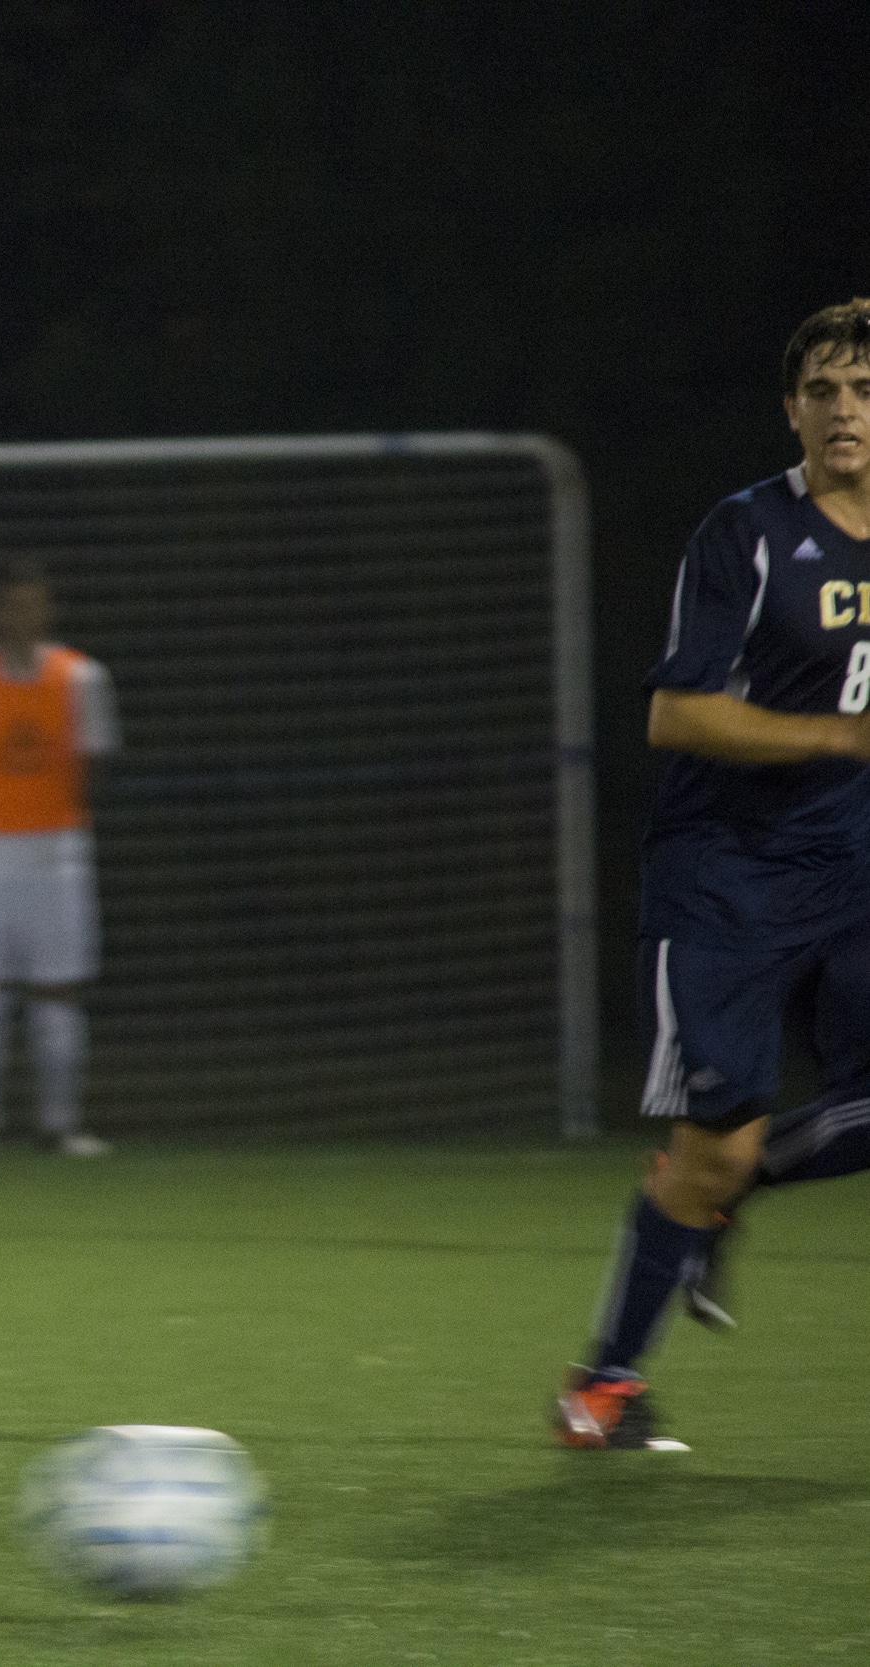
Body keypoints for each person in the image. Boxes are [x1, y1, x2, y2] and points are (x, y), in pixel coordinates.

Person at [554, 298, 870, 1450]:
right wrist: (839, 738)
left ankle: (732, 1186)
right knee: (713, 1149)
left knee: (760, 1150)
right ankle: (603, 1386)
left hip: (851, 873)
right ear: (790, 410)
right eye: (825, 391)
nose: (846, 411)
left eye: (865, 391)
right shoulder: (741, 533)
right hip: (722, 880)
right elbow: (675, 710)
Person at [0, 562, 119, 1156]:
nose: (23, 616)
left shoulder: (82, 678)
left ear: (49, 609)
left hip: (58, 850)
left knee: (58, 990)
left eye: (34, 604)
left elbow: (96, 761)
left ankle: (58, 1126)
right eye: (11, 605)